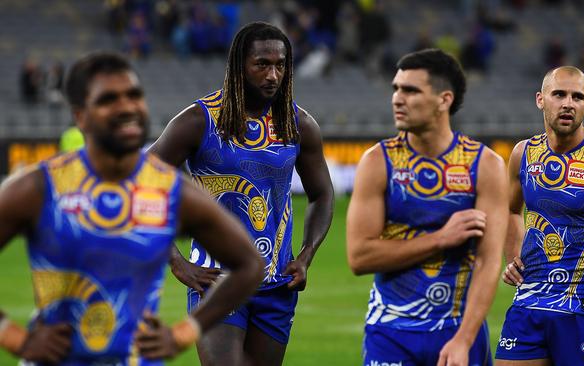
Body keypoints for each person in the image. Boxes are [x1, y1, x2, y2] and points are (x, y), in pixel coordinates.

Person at [0, 52, 264, 365]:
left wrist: (183, 332)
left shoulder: (170, 190)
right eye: (109, 99)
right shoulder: (39, 188)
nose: (127, 107)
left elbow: (250, 265)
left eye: (134, 95)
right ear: (80, 115)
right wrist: (13, 337)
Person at [148, 21, 334, 366]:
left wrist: (306, 255)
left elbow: (322, 194)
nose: (272, 75)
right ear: (239, 66)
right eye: (262, 64)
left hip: (277, 285)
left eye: (280, 65)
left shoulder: (299, 125)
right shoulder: (198, 120)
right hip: (218, 280)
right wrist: (176, 262)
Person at [346, 48, 508, 366]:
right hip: (389, 333)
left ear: (443, 99)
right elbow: (359, 257)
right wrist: (440, 239)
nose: (397, 98)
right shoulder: (378, 161)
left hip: (458, 332)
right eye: (395, 88)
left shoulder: (485, 165)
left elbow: (489, 263)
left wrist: (464, 339)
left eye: (410, 90)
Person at [497, 66, 584, 366]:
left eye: (578, 97)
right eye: (559, 94)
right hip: (530, 303)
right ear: (540, 99)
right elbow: (510, 210)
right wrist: (514, 256)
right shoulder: (523, 154)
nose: (568, 103)